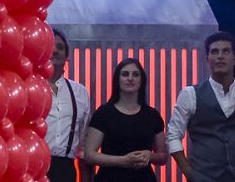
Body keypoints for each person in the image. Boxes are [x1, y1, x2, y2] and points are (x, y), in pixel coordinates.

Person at [167, 32, 235, 181]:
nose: (220, 56)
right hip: (202, 177)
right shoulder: (189, 94)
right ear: (207, 59)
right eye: (214, 52)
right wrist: (189, 172)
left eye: (226, 51)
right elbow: (173, 136)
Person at [84, 57, 169, 180]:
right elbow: (89, 155)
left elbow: (163, 156)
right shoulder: (103, 113)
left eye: (135, 75)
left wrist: (149, 156)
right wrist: (123, 161)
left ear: (142, 80)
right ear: (117, 80)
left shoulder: (152, 115)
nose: (130, 78)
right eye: (125, 74)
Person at [45, 28, 89, 182]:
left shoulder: (80, 92)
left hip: (65, 169)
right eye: (50, 46)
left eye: (60, 47)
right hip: (35, 165)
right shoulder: (30, 88)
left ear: (67, 57)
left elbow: (83, 142)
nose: (55, 51)